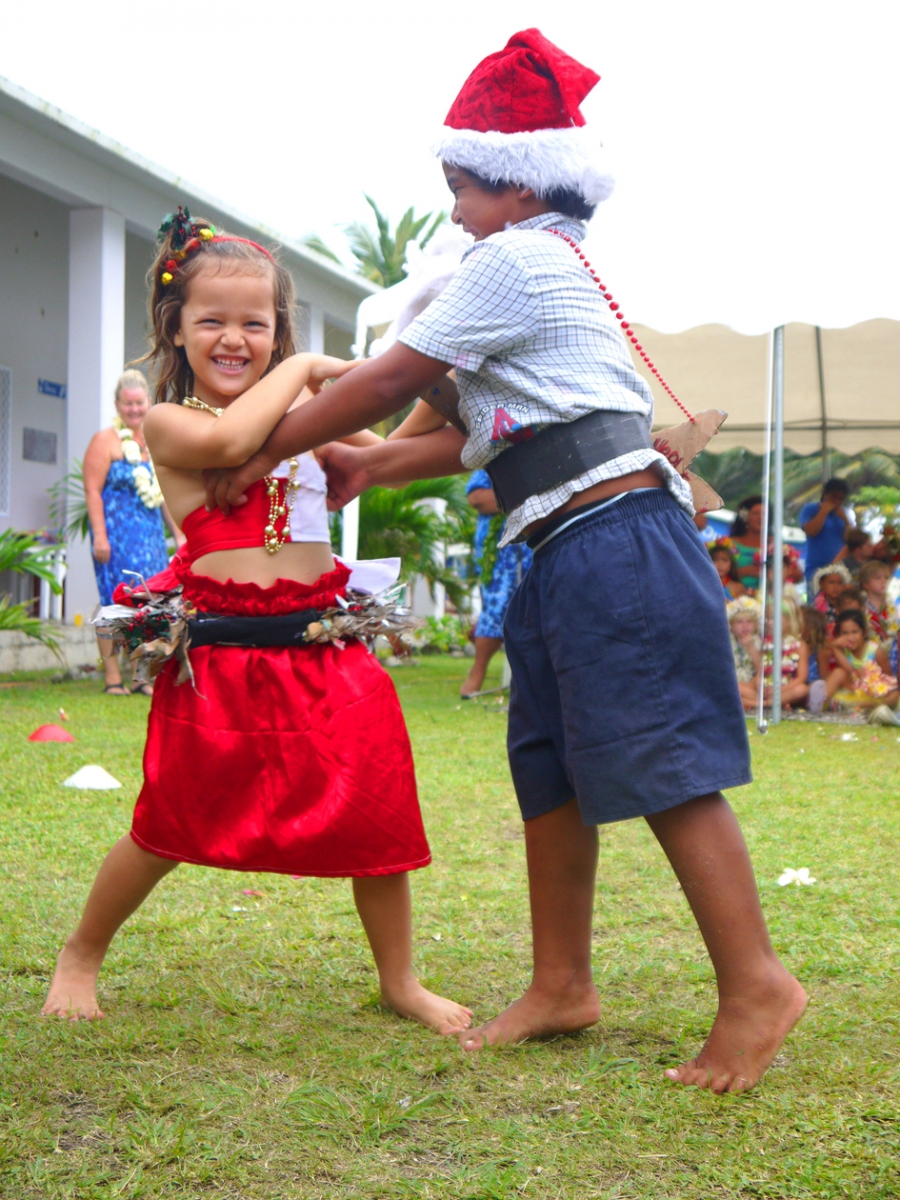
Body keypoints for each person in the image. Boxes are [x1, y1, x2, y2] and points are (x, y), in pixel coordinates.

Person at [202, 31, 805, 1093]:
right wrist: (360, 471)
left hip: (615, 537)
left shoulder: (519, 258)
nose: (454, 213)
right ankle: (561, 983)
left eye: (464, 189)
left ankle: (757, 983)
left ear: (522, 184)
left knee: (663, 762)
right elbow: (466, 436)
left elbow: (386, 382)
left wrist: (259, 445)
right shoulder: (526, 267)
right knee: (552, 771)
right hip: (560, 539)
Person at [42, 211, 471, 1039]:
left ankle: (400, 980)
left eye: (256, 322)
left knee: (375, 814)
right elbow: (235, 436)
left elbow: (390, 443)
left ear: (274, 328)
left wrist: (421, 358)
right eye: (212, 320)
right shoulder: (169, 422)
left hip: (323, 647)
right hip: (226, 656)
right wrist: (312, 364)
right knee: (169, 820)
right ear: (175, 328)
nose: (234, 338)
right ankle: (81, 953)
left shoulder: (309, 413)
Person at [83, 368, 183, 695]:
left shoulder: (154, 442)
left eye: (140, 403)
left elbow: (164, 494)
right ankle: (113, 677)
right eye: (128, 404)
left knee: (149, 604)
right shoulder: (105, 441)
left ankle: (142, 676)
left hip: (151, 539)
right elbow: (93, 491)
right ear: (117, 404)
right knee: (113, 603)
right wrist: (99, 535)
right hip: (114, 537)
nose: (135, 410)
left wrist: (178, 534)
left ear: (148, 403)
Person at [462, 470, 533, 696]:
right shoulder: (494, 454)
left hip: (535, 549)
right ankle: (477, 672)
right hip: (501, 554)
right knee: (496, 609)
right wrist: (525, 494)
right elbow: (477, 498)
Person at [827, 609, 900, 724]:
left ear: (865, 632)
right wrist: (835, 647)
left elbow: (889, 679)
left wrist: (876, 687)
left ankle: (880, 712)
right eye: (845, 633)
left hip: (876, 694)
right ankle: (819, 705)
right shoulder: (844, 651)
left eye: (854, 632)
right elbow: (850, 671)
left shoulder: (876, 651)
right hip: (855, 692)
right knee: (838, 673)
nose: (850, 637)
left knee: (895, 696)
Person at [799, 478, 854, 588]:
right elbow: (811, 531)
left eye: (841, 499)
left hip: (840, 568)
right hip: (816, 566)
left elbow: (851, 540)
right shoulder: (811, 509)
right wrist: (824, 511)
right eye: (834, 497)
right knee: (817, 602)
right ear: (825, 493)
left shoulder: (846, 513)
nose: (837, 502)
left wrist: (845, 520)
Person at [727, 596, 760, 711]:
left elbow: (763, 670)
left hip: (754, 686)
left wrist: (751, 647)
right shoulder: (726, 643)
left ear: (756, 625)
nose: (745, 626)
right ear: (731, 626)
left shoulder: (761, 642)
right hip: (735, 684)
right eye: (739, 622)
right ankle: (760, 704)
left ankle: (752, 703)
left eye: (749, 622)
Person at [858, 559, 899, 645]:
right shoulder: (859, 606)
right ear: (865, 584)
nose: (884, 581)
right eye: (878, 578)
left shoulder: (894, 604)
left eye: (886, 578)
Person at [729, 496, 766, 590]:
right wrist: (744, 571)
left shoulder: (775, 545)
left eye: (764, 514)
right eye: (755, 513)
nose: (760, 518)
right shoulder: (729, 544)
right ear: (745, 516)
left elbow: (797, 574)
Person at [811, 562, 853, 635]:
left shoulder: (850, 604)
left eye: (840, 583)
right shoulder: (815, 608)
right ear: (821, 584)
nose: (835, 587)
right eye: (831, 582)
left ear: (845, 586)